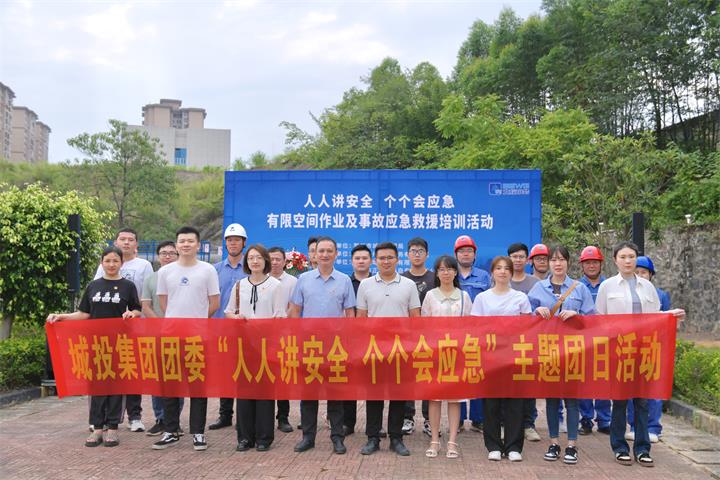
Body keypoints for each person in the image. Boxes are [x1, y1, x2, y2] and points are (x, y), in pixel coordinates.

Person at [595, 243, 684, 467]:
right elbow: (599, 319)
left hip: (644, 350)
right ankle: (619, 447)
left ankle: (643, 449)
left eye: (631, 257)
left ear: (636, 259)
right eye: (623, 257)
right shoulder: (607, 287)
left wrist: (671, 316)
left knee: (642, 401)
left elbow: (655, 317)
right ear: (615, 260)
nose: (627, 261)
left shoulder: (647, 287)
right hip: (618, 351)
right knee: (620, 401)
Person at [47, 246, 142, 448]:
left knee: (116, 387)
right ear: (102, 263)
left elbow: (137, 309)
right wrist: (62, 316)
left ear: (121, 263)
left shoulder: (128, 286)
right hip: (96, 345)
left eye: (115, 261)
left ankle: (113, 428)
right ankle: (97, 428)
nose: (111, 264)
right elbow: (84, 314)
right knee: (97, 386)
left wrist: (132, 314)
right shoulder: (93, 286)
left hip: (119, 345)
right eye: (107, 261)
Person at [152, 226, 220, 451]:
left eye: (190, 241)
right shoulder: (165, 272)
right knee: (170, 384)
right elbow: (164, 303)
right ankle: (171, 430)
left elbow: (214, 303)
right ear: (176, 245)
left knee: (197, 386)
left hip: (198, 338)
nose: (186, 244)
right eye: (182, 241)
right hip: (171, 336)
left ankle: (198, 433)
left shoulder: (208, 270)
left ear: (198, 245)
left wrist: (196, 321)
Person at [528, 245, 596, 465]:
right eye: (553, 260)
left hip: (573, 350)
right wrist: (536, 312)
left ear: (568, 262)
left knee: (572, 400)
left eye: (561, 260)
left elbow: (593, 319)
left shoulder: (579, 288)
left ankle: (572, 445)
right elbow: (525, 318)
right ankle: (554, 443)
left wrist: (577, 315)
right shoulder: (538, 288)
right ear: (548, 263)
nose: (557, 264)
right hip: (548, 351)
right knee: (551, 399)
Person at [288, 236, 355, 455]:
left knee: (335, 394)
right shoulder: (303, 279)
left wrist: (348, 342)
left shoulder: (344, 280)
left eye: (329, 251)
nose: (325, 255)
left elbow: (350, 313)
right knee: (309, 394)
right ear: (314, 255)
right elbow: (295, 311)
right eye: (321, 251)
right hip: (310, 345)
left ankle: (337, 437)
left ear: (336, 254)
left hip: (336, 346)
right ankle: (308, 437)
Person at [357, 242, 421, 457]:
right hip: (373, 348)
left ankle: (396, 438)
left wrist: (412, 345)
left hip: (400, 348)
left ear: (397, 260)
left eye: (390, 257)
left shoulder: (408, 285)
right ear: (375, 261)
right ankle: (372, 437)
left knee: (398, 394)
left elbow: (415, 317)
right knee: (373, 394)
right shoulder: (365, 285)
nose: (386, 261)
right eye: (382, 258)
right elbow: (361, 318)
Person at [225, 244, 285, 452]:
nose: (255, 261)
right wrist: (236, 317)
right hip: (244, 346)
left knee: (264, 393)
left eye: (259, 257)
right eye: (251, 258)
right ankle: (245, 437)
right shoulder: (239, 285)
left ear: (265, 260)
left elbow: (280, 316)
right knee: (244, 392)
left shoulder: (275, 285)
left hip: (267, 347)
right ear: (247, 262)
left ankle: (264, 437)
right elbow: (228, 312)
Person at [472, 256, 532, 462]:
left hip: (515, 356)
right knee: (491, 403)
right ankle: (493, 445)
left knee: (515, 402)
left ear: (511, 272)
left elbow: (527, 327)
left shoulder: (520, 297)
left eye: (507, 268)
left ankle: (514, 446)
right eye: (498, 268)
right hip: (490, 356)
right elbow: (476, 328)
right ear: (492, 272)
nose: (503, 271)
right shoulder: (482, 298)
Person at [94, 228, 153, 433]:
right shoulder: (104, 264)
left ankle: (134, 416)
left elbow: (146, 297)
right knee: (106, 373)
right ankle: (103, 417)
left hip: (134, 328)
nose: (126, 242)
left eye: (130, 240)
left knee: (131, 372)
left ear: (136, 244)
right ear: (116, 242)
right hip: (106, 330)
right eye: (122, 239)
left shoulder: (144, 265)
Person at [421, 255, 472, 459]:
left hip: (456, 354)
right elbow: (424, 326)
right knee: (434, 398)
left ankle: (452, 441)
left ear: (455, 272)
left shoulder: (464, 296)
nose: (446, 273)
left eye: (450, 269)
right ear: (437, 273)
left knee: (454, 399)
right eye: (441, 269)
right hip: (435, 353)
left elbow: (470, 326)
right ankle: (434, 440)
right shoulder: (430, 296)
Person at [141, 241, 184, 437]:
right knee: (157, 378)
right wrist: (162, 324)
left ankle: (174, 420)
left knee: (177, 378)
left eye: (171, 253)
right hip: (156, 334)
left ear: (177, 255)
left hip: (179, 335)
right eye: (164, 253)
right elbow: (146, 306)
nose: (167, 256)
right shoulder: (151, 279)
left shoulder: (183, 277)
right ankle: (160, 418)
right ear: (158, 257)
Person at [626, 255, 669, 444]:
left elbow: (666, 321)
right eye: (637, 272)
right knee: (631, 389)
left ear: (651, 275)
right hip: (630, 346)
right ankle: (634, 426)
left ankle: (653, 427)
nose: (640, 275)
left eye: (644, 272)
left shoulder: (661, 295)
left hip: (653, 346)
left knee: (653, 389)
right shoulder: (626, 293)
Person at [209, 223, 248, 431]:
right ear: (225, 244)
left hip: (246, 329)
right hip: (221, 329)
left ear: (244, 243)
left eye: (237, 240)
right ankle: (225, 415)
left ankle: (244, 415)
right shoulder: (214, 270)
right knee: (225, 373)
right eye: (230, 240)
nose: (233, 243)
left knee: (244, 371)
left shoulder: (251, 267)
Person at [454, 235, 490, 433]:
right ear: (456, 255)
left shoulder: (484, 276)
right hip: (457, 333)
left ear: (475, 255)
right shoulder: (451, 274)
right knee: (459, 375)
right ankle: (458, 419)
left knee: (477, 374)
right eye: (462, 251)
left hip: (479, 333)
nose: (465, 254)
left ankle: (478, 418)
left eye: (469, 251)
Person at [507, 242, 541, 442]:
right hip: (504, 343)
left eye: (521, 257)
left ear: (527, 260)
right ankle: (505, 423)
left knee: (527, 384)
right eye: (514, 257)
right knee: (506, 384)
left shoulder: (535, 282)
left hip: (528, 341)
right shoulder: (501, 278)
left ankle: (528, 424)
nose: (517, 260)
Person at [401, 237, 435, 436]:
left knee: (427, 376)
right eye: (413, 251)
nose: (417, 254)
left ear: (427, 254)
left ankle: (430, 418)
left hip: (430, 336)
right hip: (406, 336)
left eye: (420, 251)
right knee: (407, 377)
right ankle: (407, 417)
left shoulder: (434, 278)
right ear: (407, 254)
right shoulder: (401, 278)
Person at [578, 245, 611, 436]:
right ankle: (586, 419)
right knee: (583, 381)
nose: (591, 266)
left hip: (605, 339)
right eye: (587, 262)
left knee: (602, 379)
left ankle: (604, 419)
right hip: (583, 340)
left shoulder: (610, 285)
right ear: (582, 265)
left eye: (595, 262)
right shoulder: (577, 287)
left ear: (601, 264)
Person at [344, 243, 373, 437]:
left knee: (373, 383)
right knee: (349, 382)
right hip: (349, 340)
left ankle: (374, 426)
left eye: (364, 258)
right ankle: (347, 423)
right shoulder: (345, 282)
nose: (361, 261)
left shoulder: (376, 282)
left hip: (373, 339)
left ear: (371, 261)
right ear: (352, 261)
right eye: (357, 258)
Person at [268, 246, 297, 434]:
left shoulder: (293, 282)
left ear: (285, 262)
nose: (274, 262)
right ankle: (264, 416)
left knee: (283, 378)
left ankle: (283, 417)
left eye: (278, 259)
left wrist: (281, 320)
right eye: (271, 259)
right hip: (263, 337)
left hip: (285, 335)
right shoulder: (260, 279)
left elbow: (294, 306)